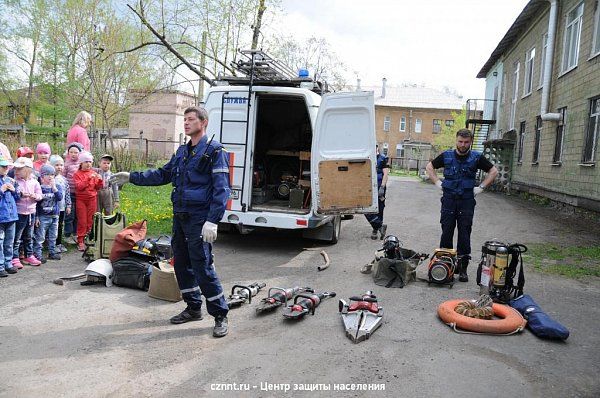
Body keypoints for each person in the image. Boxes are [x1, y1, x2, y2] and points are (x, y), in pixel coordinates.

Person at [111, 106, 231, 338]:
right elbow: (163, 175)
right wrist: (132, 177)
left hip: (199, 219)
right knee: (182, 263)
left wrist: (212, 221)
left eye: (191, 119)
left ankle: (219, 314)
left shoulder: (215, 151)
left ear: (203, 122)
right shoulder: (182, 152)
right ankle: (193, 307)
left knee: (202, 266)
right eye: (184, 120)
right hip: (181, 216)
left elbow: (222, 189)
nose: (186, 123)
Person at [425, 128, 498, 282]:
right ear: (456, 141)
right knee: (447, 231)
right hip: (449, 200)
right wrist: (437, 182)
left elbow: (493, 171)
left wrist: (481, 187)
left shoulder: (476, 158)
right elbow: (429, 167)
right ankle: (445, 265)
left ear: (470, 142)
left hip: (466, 201)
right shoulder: (446, 156)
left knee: (464, 233)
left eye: (466, 142)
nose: (463, 145)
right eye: (460, 141)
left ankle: (463, 269)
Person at [12, 157, 42, 267]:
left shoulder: (34, 182)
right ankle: (14, 257)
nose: (16, 171)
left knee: (29, 236)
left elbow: (40, 195)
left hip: (31, 213)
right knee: (17, 237)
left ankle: (29, 255)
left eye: (19, 169)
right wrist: (20, 195)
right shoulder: (14, 182)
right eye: (15, 169)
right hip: (19, 213)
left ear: (28, 170)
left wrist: (35, 196)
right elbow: (13, 196)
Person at [73, 151, 103, 251]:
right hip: (81, 199)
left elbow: (98, 187)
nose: (88, 164)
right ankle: (80, 240)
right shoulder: (77, 174)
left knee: (90, 220)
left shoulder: (94, 173)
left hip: (92, 199)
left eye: (90, 162)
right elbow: (79, 186)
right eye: (86, 161)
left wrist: (100, 181)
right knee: (82, 221)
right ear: (81, 163)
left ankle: (89, 239)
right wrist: (88, 179)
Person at [33, 164, 63, 262]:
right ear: (42, 177)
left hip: (54, 215)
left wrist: (54, 188)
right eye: (47, 174)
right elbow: (36, 204)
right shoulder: (39, 188)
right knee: (40, 236)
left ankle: (52, 252)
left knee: (53, 235)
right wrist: (36, 217)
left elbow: (59, 198)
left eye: (52, 174)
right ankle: (37, 254)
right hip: (43, 216)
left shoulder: (57, 186)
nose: (50, 176)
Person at [365, 145, 389, 240]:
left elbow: (386, 174)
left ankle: (375, 230)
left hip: (379, 186)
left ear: (377, 149)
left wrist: (382, 187)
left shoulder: (383, 159)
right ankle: (379, 226)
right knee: (366, 208)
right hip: (368, 187)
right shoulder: (367, 158)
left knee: (380, 208)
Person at [0, 156, 19, 277]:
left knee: (9, 242)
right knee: (0, 242)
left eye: (7, 166)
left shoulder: (11, 180)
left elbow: (18, 198)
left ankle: (8, 263)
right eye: (3, 166)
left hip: (11, 217)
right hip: (1, 218)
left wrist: (14, 190)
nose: (6, 168)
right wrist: (1, 190)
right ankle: (1, 266)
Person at [49, 155, 71, 253]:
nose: (59, 167)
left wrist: (68, 205)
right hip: (52, 207)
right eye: (56, 165)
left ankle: (58, 243)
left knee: (60, 225)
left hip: (62, 207)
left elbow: (67, 193)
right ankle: (51, 244)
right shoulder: (49, 179)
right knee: (53, 226)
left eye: (61, 165)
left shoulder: (64, 179)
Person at [63, 142, 83, 244]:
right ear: (68, 153)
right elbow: (63, 177)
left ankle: (75, 233)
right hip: (69, 193)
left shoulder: (81, 164)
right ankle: (67, 234)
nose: (73, 154)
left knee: (77, 214)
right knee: (69, 214)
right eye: (71, 152)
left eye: (76, 152)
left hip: (79, 193)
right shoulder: (66, 164)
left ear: (80, 153)